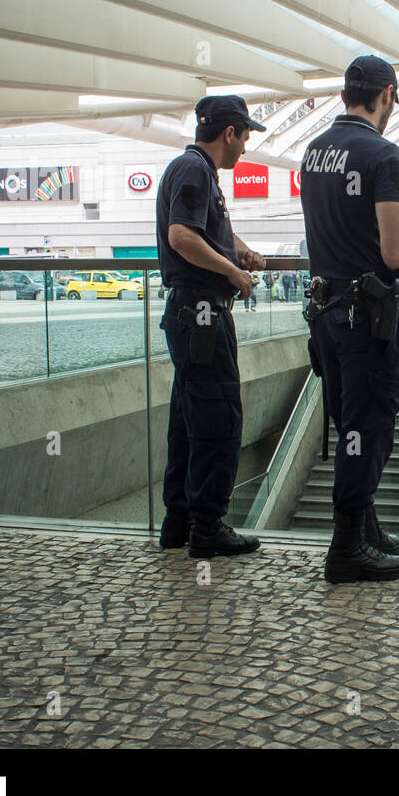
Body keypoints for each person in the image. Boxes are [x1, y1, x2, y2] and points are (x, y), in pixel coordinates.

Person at [301, 55, 399, 584]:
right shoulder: (383, 155)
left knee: (349, 425)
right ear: (386, 95)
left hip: (324, 313)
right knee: (367, 430)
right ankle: (346, 549)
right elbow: (394, 252)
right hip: (364, 318)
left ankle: (364, 527)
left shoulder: (314, 152)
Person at [155, 94, 264, 558]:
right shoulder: (197, 171)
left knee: (188, 419)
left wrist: (239, 250)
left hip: (189, 314)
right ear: (228, 133)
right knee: (219, 419)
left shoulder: (192, 168)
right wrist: (233, 273)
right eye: (244, 137)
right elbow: (181, 236)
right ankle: (208, 527)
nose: (245, 148)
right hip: (201, 314)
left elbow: (205, 229)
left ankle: (178, 521)